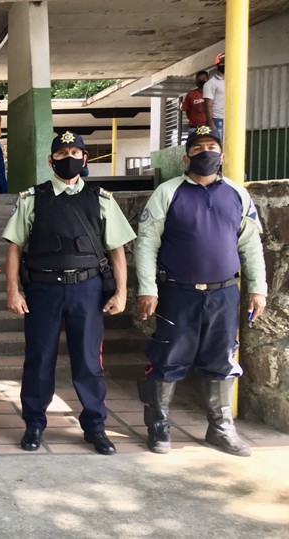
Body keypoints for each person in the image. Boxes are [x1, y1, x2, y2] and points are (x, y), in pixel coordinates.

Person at [134, 125, 267, 457]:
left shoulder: (237, 194)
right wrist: (147, 288)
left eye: (211, 148)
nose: (204, 153)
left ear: (222, 156)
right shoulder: (168, 192)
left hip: (224, 294)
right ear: (186, 158)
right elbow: (147, 243)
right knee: (167, 356)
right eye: (197, 149)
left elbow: (251, 245)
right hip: (178, 293)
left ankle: (220, 428)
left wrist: (257, 288)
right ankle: (159, 424)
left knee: (222, 359)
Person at [3, 130, 136, 456]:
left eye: (75, 153)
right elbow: (15, 247)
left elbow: (116, 249)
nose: (69, 158)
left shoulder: (101, 198)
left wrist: (121, 292)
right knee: (39, 359)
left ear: (85, 158)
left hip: (87, 290)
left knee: (89, 361)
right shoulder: (32, 198)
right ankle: (34, 423)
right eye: (62, 154)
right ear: (51, 161)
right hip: (43, 290)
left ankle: (95, 426)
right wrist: (12, 291)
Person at [203, 54, 225, 136]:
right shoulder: (211, 83)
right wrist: (211, 125)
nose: (225, 65)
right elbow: (207, 105)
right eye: (222, 63)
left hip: (233, 119)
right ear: (217, 66)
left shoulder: (235, 81)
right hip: (218, 119)